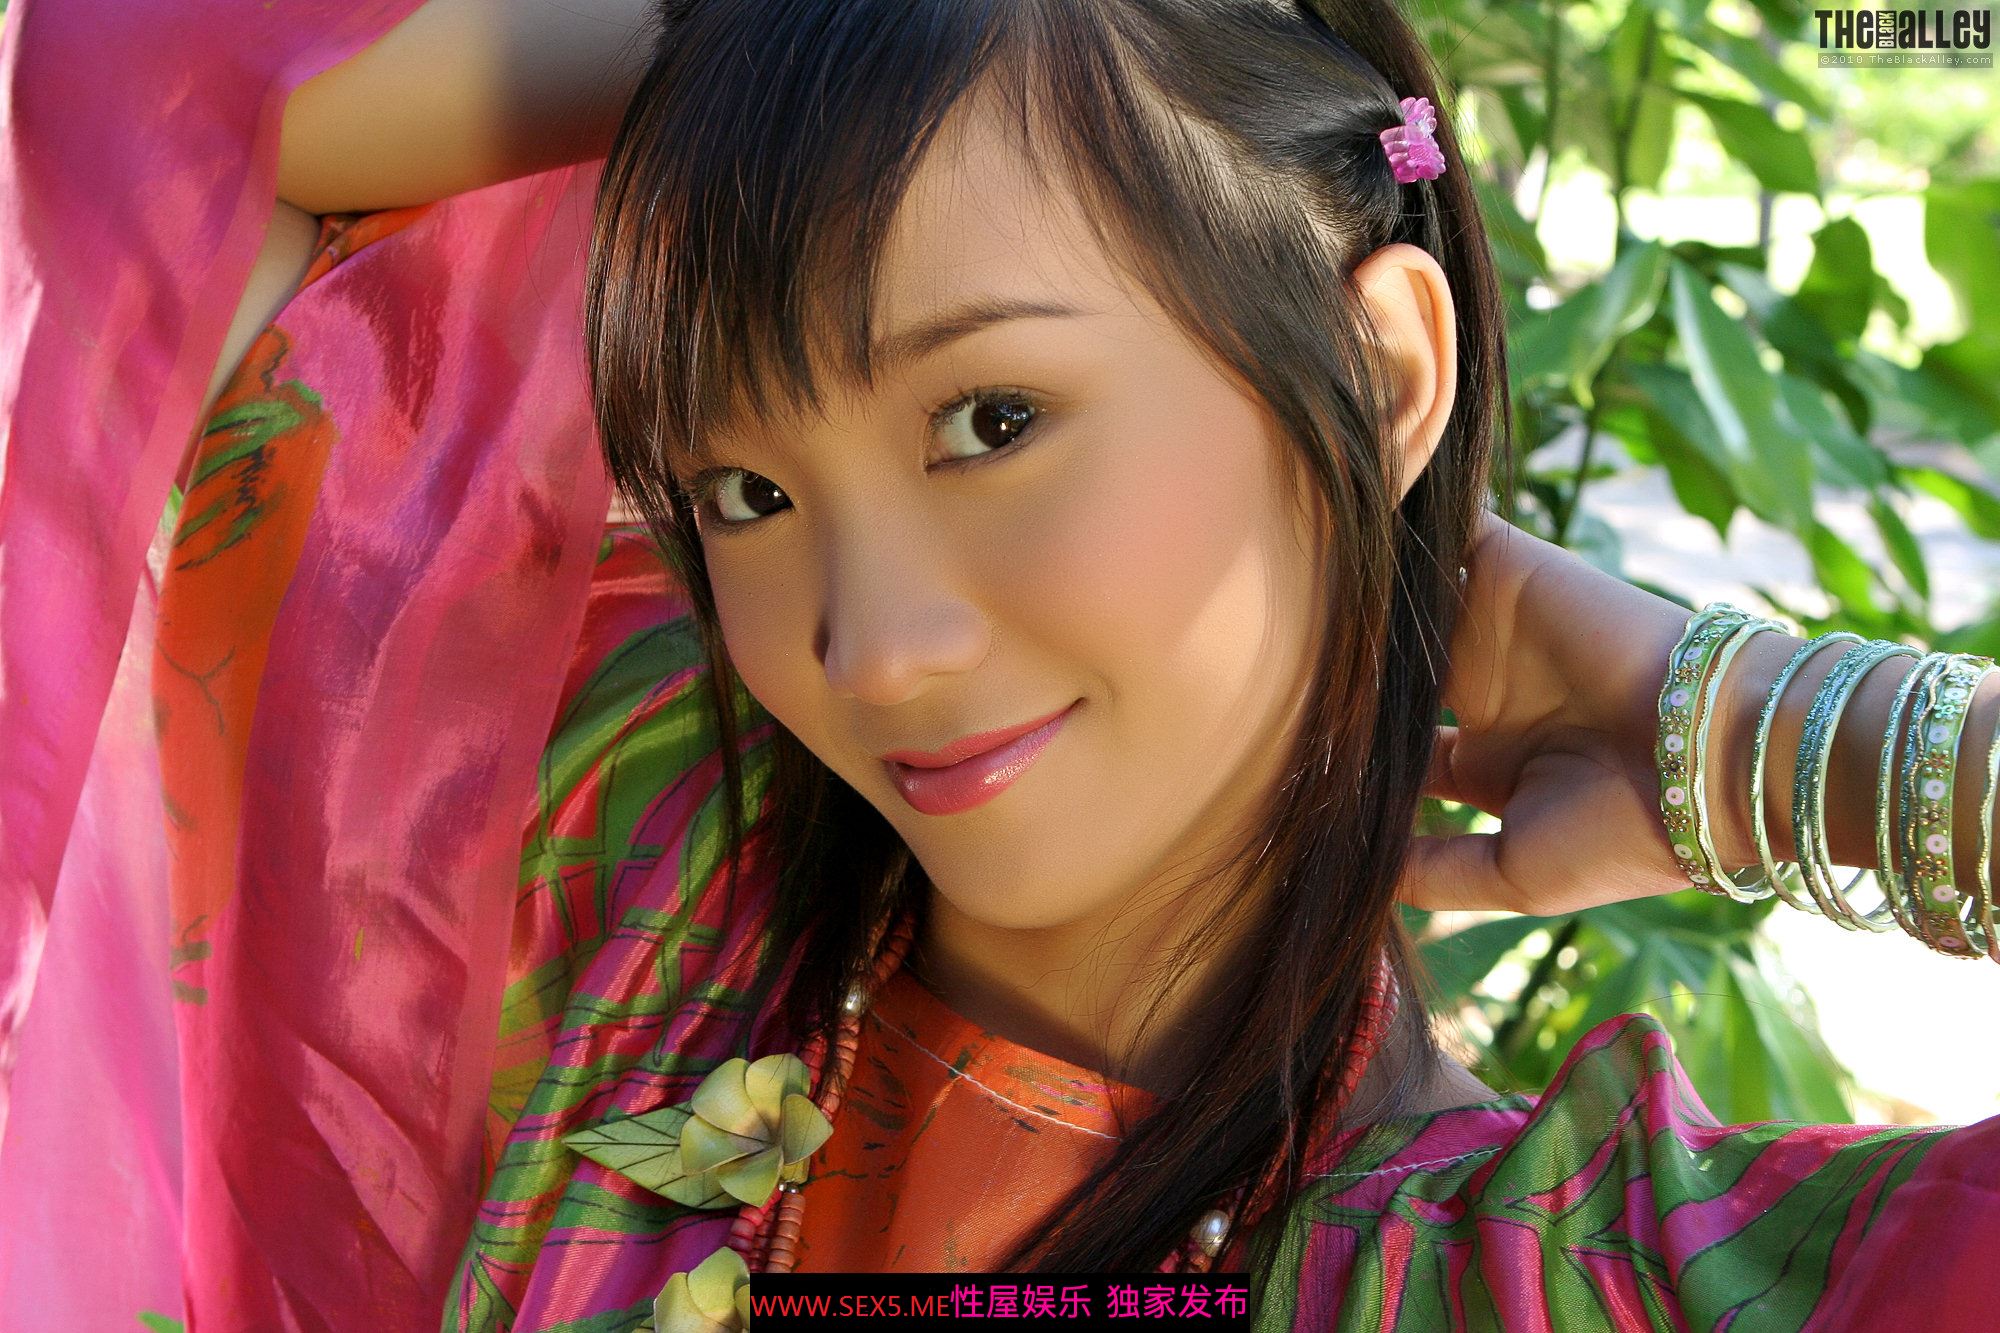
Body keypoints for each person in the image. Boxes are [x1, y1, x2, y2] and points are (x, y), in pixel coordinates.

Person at [0, 0, 1995, 1330]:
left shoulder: (1568, 1277)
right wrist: (784, 42)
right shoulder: (628, 833)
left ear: (1380, 370)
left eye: (989, 422)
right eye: (747, 490)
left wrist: (1799, 740)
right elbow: (143, 85)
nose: (866, 646)